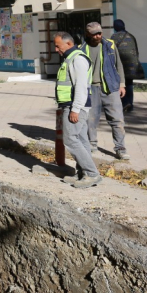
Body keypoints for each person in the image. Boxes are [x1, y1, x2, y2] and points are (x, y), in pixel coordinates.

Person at [53, 31, 101, 188]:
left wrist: (75, 109)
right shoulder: (70, 58)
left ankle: (92, 174)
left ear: (68, 43)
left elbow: (81, 86)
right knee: (81, 140)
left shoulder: (78, 59)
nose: (56, 49)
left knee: (70, 139)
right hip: (72, 105)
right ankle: (83, 173)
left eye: (58, 46)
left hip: (74, 106)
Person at [83, 22, 130, 161]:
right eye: (94, 34)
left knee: (117, 119)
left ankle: (120, 148)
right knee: (90, 120)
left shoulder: (110, 45)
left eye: (100, 33)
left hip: (110, 87)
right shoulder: (81, 49)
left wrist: (122, 84)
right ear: (88, 34)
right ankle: (92, 145)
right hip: (91, 88)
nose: (98, 36)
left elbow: (118, 65)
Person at [111, 19, 143, 112]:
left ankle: (125, 102)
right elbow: (136, 51)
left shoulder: (114, 37)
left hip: (121, 66)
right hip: (132, 66)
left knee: (119, 84)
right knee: (129, 85)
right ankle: (130, 105)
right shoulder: (131, 36)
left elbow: (111, 51)